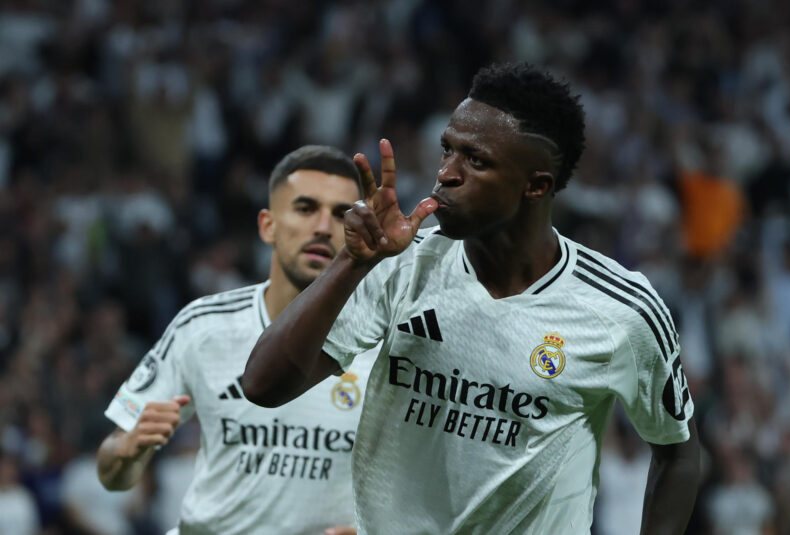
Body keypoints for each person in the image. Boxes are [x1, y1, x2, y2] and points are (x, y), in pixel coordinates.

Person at [242, 63, 701, 534]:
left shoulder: (620, 308)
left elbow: (678, 451)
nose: (445, 174)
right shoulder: (399, 265)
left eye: (475, 161)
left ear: (536, 185)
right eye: (447, 150)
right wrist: (352, 262)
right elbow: (262, 386)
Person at [98, 145, 374, 535]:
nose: (322, 228)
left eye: (341, 214)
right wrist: (128, 452)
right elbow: (112, 474)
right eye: (305, 208)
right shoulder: (204, 326)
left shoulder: (380, 342)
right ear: (268, 225)